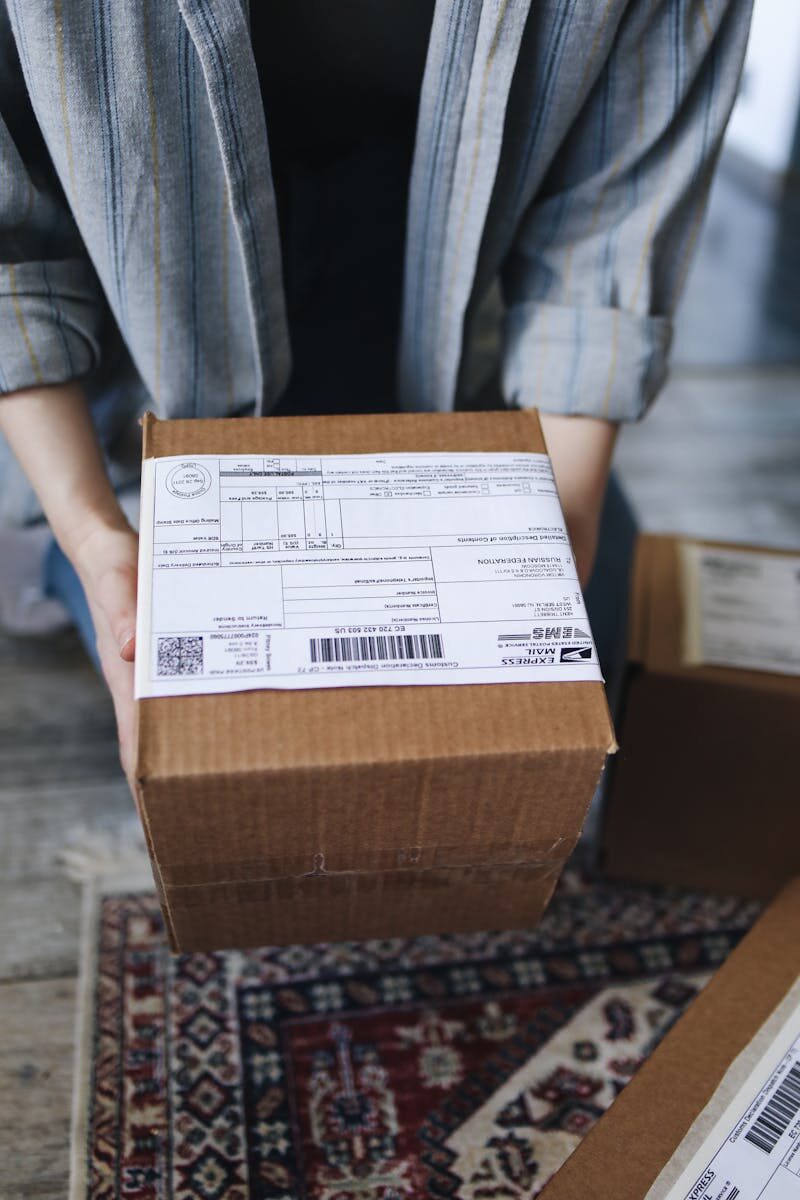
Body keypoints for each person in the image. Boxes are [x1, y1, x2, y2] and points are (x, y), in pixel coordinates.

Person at [0, 1, 752, 780]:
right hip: (146, 378)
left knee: (600, 643)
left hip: (439, 340)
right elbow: (8, 260)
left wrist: (559, 528)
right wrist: (90, 534)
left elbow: (610, 231)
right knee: (228, 747)